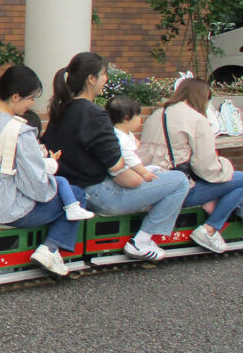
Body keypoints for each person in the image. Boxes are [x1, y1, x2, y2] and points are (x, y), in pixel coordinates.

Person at [42, 52, 190, 263]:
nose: (106, 79)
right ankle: (141, 242)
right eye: (103, 74)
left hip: (70, 192)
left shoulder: (61, 109)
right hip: (101, 195)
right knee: (178, 181)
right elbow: (120, 172)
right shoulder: (94, 114)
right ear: (91, 79)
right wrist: (142, 176)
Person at [0, 65, 86, 276]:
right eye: (30, 98)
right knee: (76, 195)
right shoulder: (21, 130)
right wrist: (52, 175)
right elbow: (37, 186)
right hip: (7, 210)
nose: (31, 104)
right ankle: (49, 249)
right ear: (15, 96)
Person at [137, 78, 243, 254]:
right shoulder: (196, 120)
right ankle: (209, 230)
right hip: (179, 189)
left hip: (150, 184)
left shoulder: (158, 114)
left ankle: (213, 228)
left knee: (239, 189)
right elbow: (208, 169)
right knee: (239, 178)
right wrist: (226, 164)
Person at [21, 110, 95, 221]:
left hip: (28, 186)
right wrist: (52, 161)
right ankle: (71, 207)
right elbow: (43, 167)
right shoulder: (30, 148)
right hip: (34, 187)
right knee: (62, 181)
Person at [106, 95, 162, 183]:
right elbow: (129, 157)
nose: (140, 119)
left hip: (130, 169)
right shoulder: (120, 137)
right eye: (137, 115)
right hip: (123, 175)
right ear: (126, 118)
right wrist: (144, 173)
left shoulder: (125, 133)